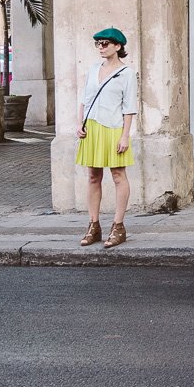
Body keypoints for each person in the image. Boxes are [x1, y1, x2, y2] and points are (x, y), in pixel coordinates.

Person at [74, 27, 139, 249]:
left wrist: (125, 136)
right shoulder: (93, 69)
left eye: (105, 43)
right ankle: (94, 225)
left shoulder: (127, 74)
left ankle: (118, 226)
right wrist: (79, 123)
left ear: (118, 46)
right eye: (98, 43)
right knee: (93, 176)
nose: (101, 47)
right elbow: (85, 98)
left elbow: (129, 108)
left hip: (113, 128)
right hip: (91, 127)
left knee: (118, 176)